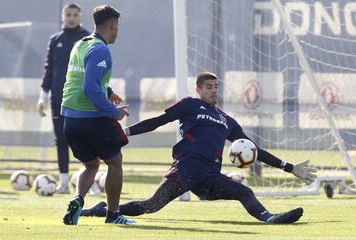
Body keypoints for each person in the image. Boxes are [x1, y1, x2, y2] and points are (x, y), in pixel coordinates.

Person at [81, 72, 317, 224]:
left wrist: (290, 167)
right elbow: (158, 121)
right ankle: (101, 210)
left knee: (244, 192)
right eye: (208, 87)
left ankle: (270, 218)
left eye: (216, 86)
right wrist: (126, 132)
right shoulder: (190, 105)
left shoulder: (227, 120)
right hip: (186, 169)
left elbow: (254, 149)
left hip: (210, 176)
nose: (213, 90)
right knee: (150, 206)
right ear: (198, 90)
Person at [61, 5, 134, 225]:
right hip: (91, 118)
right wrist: (113, 112)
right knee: (115, 160)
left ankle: (78, 199)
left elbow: (82, 78)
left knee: (92, 164)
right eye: (117, 26)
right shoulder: (100, 49)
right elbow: (90, 88)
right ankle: (113, 215)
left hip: (70, 119)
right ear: (113, 25)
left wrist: (109, 92)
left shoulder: (80, 44)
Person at [37, 3, 90, 194]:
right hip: (58, 99)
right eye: (68, 14)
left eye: (75, 14)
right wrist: (43, 96)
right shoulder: (55, 40)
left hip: (82, 98)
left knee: (85, 138)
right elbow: (49, 70)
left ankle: (88, 180)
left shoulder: (87, 38)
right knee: (61, 139)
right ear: (62, 16)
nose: (72, 17)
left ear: (80, 17)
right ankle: (64, 182)